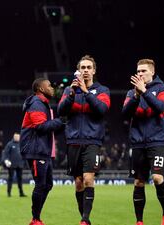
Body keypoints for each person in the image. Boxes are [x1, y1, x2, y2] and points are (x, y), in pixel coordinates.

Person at [57, 55, 110, 225]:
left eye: (88, 67)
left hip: (92, 141)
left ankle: (85, 220)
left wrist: (86, 93)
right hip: (73, 141)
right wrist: (72, 93)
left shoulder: (102, 91)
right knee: (78, 183)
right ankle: (84, 217)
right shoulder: (68, 90)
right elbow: (61, 110)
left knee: (88, 179)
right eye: (83, 68)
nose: (85, 70)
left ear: (94, 70)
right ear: (78, 71)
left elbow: (101, 109)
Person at [122, 59, 164, 225]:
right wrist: (137, 95)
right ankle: (139, 221)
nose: (140, 74)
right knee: (138, 182)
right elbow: (125, 114)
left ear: (152, 71)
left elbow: (160, 108)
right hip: (137, 143)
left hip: (157, 141)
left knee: (157, 178)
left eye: (143, 71)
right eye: (138, 71)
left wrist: (144, 92)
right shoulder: (131, 93)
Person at [20, 78, 64, 225]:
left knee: (48, 184)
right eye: (49, 85)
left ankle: (36, 217)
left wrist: (60, 124)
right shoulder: (37, 103)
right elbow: (40, 126)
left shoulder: (43, 104)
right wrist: (60, 121)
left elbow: (46, 128)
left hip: (43, 150)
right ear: (40, 88)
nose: (52, 88)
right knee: (41, 184)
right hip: (35, 150)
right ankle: (35, 219)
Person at [1, 132, 26, 197]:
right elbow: (5, 153)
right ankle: (9, 193)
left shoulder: (21, 144)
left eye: (18, 137)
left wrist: (24, 161)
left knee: (20, 179)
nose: (17, 138)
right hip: (11, 164)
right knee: (10, 178)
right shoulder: (10, 144)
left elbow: (24, 153)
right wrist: (6, 160)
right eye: (15, 137)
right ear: (13, 137)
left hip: (20, 164)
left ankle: (21, 193)